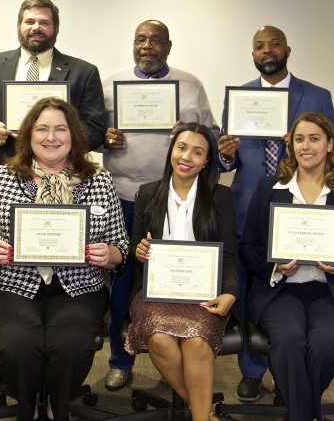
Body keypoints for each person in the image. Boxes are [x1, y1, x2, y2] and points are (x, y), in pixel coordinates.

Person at [0, 0, 106, 395]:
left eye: (43, 22)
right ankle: (2, 370)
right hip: (3, 180)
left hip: (67, 181)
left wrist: (60, 139)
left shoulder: (83, 71)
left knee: (62, 303)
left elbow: (94, 124)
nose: (35, 27)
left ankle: (58, 381)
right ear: (18, 25)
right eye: (29, 21)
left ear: (56, 27)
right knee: (4, 279)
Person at [0, 98, 128, 421]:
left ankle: (58, 406)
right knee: (19, 345)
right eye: (42, 129)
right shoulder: (3, 177)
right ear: (28, 135)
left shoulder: (99, 179)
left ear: (74, 136)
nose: (51, 137)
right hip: (10, 285)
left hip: (78, 287)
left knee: (71, 343)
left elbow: (120, 246)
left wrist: (108, 255)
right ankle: (28, 410)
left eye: (60, 129)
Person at [217, 25, 334, 402]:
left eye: (274, 44)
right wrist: (225, 151)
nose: (267, 50)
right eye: (259, 46)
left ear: (288, 49)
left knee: (296, 294)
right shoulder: (239, 97)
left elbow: (332, 153)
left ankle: (290, 374)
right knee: (255, 291)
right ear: (252, 54)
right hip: (249, 204)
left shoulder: (317, 95)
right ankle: (253, 371)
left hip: (302, 208)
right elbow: (230, 159)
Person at [101, 20, 219, 390]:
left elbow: (212, 135)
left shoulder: (190, 84)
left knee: (179, 280)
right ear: (132, 44)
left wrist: (192, 132)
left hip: (176, 200)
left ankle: (180, 358)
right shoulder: (110, 84)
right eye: (140, 39)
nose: (147, 45)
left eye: (155, 40)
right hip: (123, 195)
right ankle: (121, 360)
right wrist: (103, 138)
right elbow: (87, 134)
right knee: (124, 284)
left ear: (168, 46)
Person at [239, 113, 334, 421]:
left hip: (331, 293)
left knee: (325, 344)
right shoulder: (268, 188)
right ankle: (309, 415)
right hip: (281, 291)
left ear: (330, 144)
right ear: (290, 145)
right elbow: (248, 247)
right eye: (299, 139)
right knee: (288, 341)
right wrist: (275, 266)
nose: (306, 146)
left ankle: (299, 411)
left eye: (314, 139)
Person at [124, 123, 238, 421]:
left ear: (208, 160)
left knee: (197, 341)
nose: (187, 157)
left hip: (204, 291)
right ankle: (205, 413)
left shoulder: (220, 197)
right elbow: (135, 250)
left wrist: (230, 292)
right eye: (181, 147)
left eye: (198, 152)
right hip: (156, 290)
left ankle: (200, 417)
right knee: (159, 338)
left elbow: (229, 255)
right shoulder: (147, 194)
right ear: (171, 150)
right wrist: (138, 252)